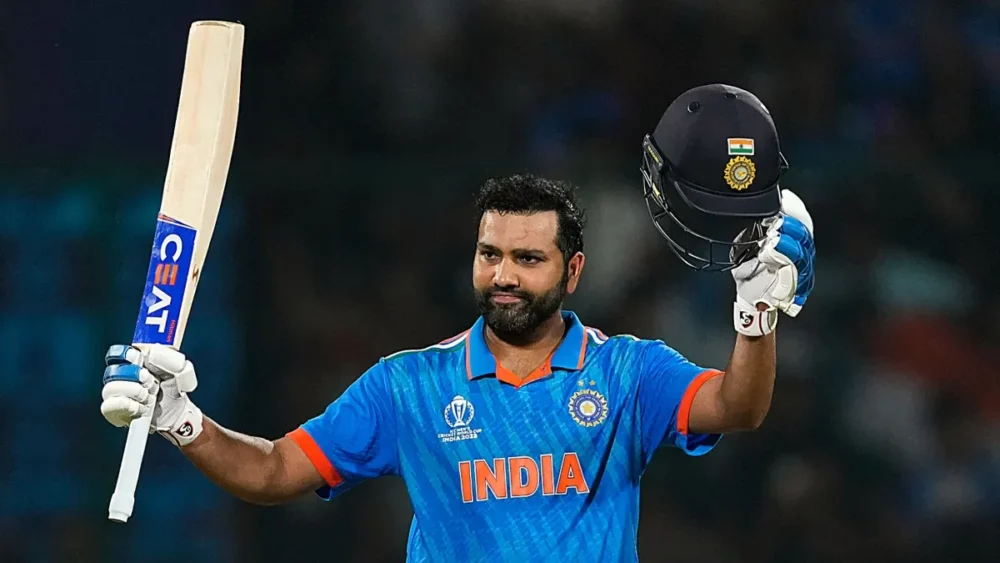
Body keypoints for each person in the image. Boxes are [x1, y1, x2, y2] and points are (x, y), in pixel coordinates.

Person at [100, 83, 815, 561]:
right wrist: (183, 420)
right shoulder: (407, 386)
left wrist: (756, 315)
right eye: (489, 254)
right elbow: (275, 469)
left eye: (528, 259)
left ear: (571, 272)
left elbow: (739, 407)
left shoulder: (628, 372)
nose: (503, 275)